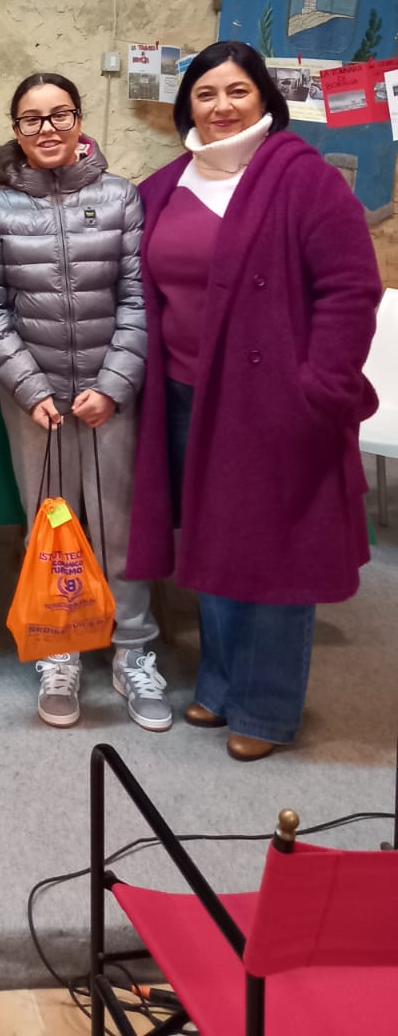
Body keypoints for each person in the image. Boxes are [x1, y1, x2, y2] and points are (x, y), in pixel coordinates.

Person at [127, 40, 381, 760]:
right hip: (184, 396)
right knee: (213, 540)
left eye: (237, 91)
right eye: (206, 94)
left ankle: (265, 708)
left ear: (265, 97)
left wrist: (319, 388)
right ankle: (219, 684)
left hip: (274, 403)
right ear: (187, 105)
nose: (221, 107)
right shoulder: (165, 185)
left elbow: (350, 290)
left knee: (275, 551)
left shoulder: (303, 179)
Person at [0, 73, 169, 731]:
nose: (48, 128)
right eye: (32, 119)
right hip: (37, 403)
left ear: (79, 121)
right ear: (16, 131)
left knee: (118, 525)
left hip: (111, 395)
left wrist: (113, 386)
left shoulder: (120, 197)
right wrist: (31, 390)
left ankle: (133, 651)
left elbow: (138, 299)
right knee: (51, 528)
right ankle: (61, 651)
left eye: (60, 115)